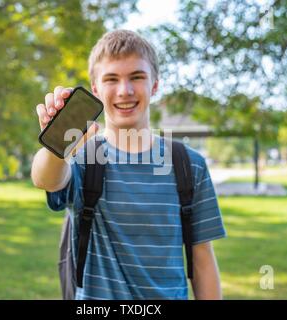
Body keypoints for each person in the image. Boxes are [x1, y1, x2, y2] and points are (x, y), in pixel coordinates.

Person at [31, 29, 226, 300]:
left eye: (137, 76)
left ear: (155, 84)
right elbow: (46, 179)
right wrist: (57, 143)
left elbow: (202, 258)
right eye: (112, 79)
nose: (125, 91)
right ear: (96, 89)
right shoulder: (83, 157)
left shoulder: (189, 165)